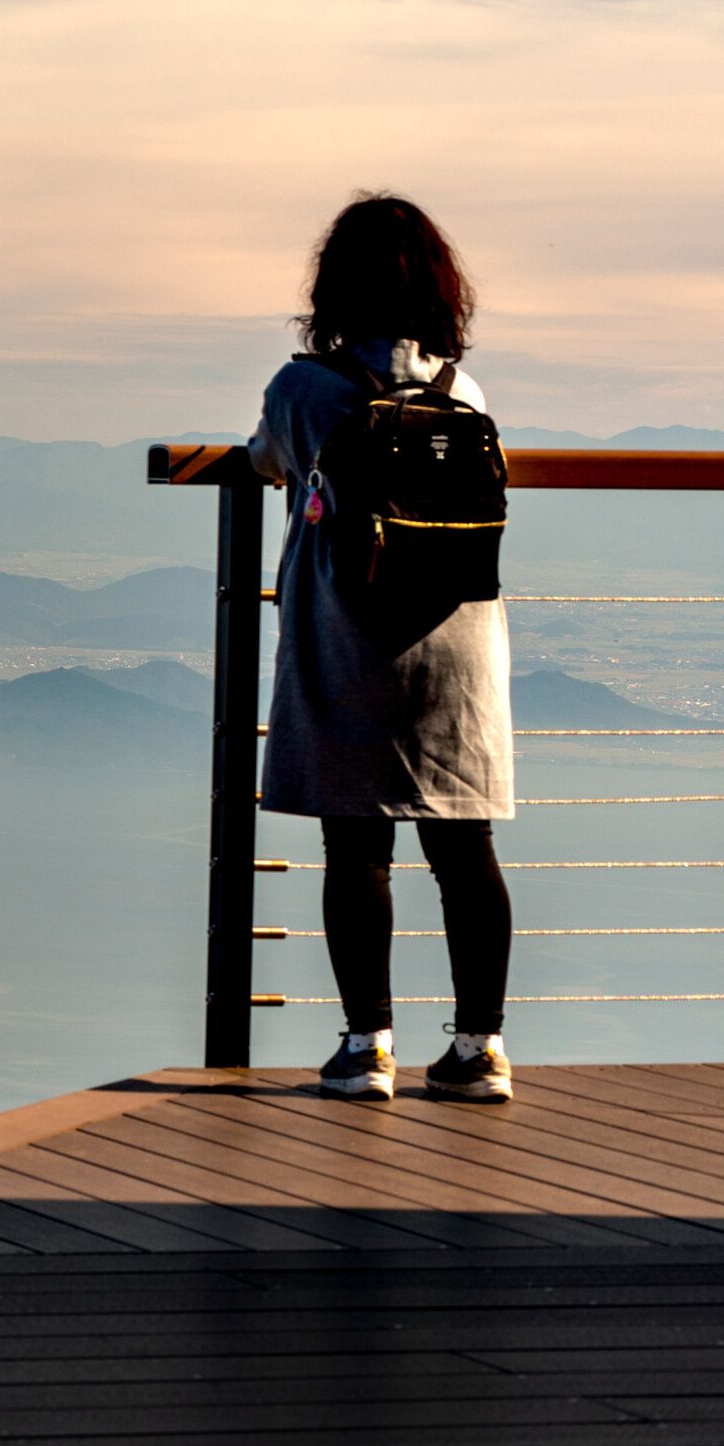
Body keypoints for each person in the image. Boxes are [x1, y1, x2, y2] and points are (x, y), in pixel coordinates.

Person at [250, 195, 516, 1104]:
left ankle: (368, 1047)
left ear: (333, 288)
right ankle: (480, 1048)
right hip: (459, 636)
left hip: (349, 630)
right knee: (465, 844)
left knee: (356, 843)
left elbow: (268, 459)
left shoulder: (303, 391)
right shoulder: (464, 395)